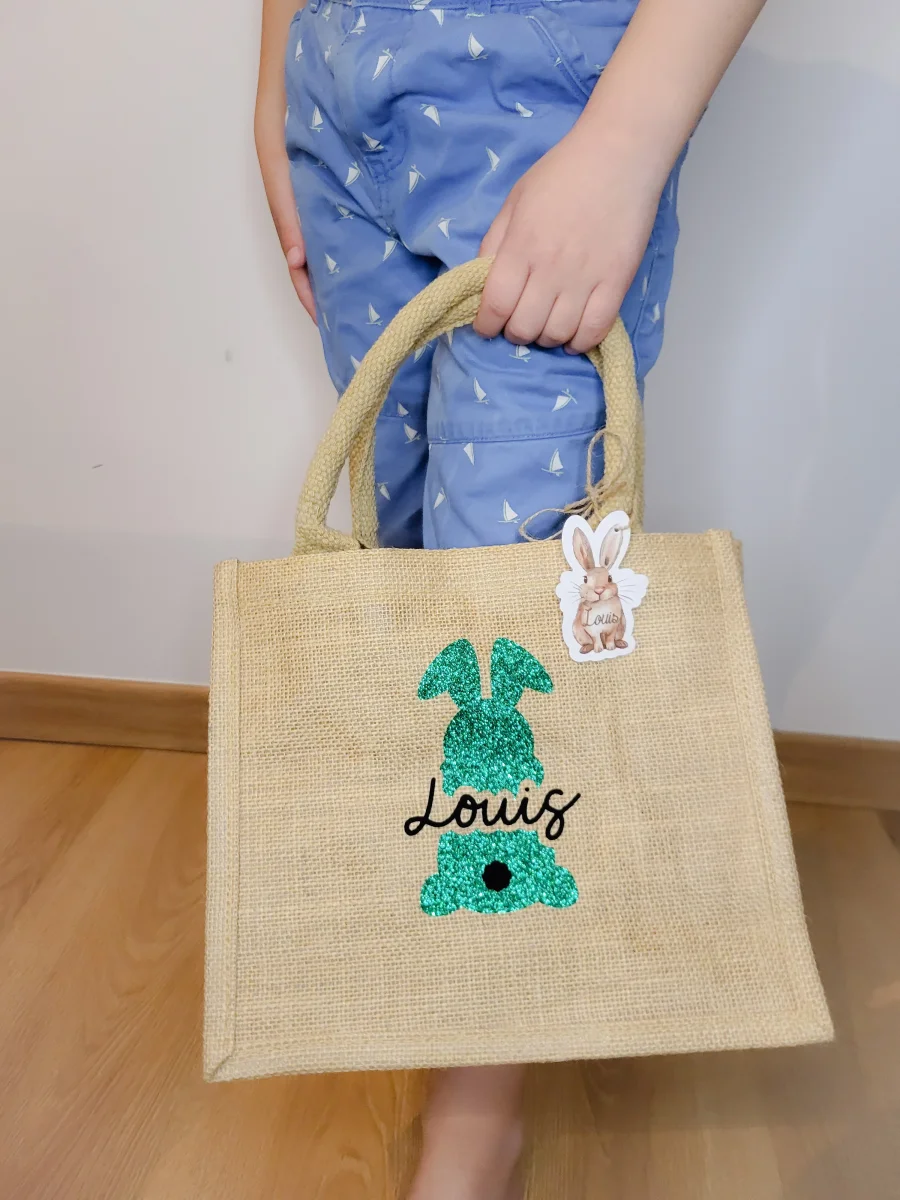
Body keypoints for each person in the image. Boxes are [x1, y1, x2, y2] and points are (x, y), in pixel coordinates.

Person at [256, 0, 764, 1193]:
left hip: (545, 105)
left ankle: (479, 1101)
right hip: (338, 83)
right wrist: (276, 72)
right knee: (402, 552)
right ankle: (433, 935)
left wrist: (625, 143)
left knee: (512, 614)